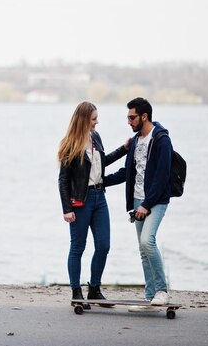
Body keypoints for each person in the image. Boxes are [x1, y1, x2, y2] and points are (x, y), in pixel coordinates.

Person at [58, 101, 128, 305]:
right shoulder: (69, 144)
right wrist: (67, 209)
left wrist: (124, 149)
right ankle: (76, 291)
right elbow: (63, 180)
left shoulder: (96, 137)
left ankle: (94, 289)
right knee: (78, 247)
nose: (97, 122)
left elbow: (102, 163)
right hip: (81, 201)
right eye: (94, 119)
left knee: (104, 245)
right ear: (84, 120)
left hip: (100, 198)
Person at [105, 97, 173, 308]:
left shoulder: (161, 140)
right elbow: (128, 172)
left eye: (132, 117)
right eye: (128, 117)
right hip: (137, 199)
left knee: (147, 241)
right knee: (143, 251)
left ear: (144, 116)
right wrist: (101, 180)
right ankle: (150, 296)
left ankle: (161, 291)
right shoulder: (135, 141)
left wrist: (146, 204)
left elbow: (163, 177)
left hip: (156, 200)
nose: (129, 122)